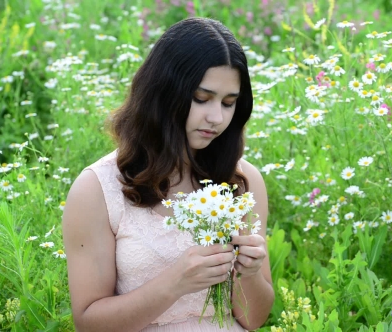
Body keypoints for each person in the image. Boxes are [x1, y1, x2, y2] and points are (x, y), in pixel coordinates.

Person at [61, 17, 274, 332]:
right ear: (163, 92)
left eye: (229, 103)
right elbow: (88, 323)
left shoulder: (241, 180)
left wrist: (251, 273)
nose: (216, 117)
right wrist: (175, 283)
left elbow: (253, 319)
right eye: (202, 99)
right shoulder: (97, 189)